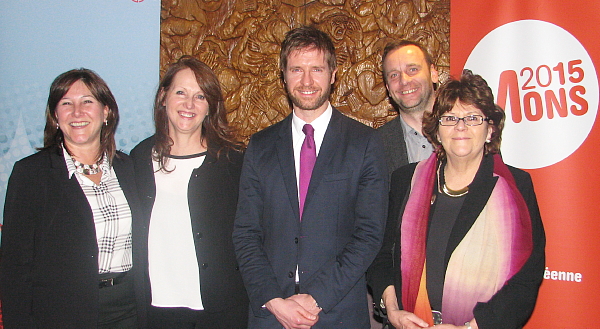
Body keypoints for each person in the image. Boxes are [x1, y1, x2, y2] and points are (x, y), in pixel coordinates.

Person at [233, 25, 388, 329]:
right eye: (296, 69)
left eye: (316, 69)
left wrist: (315, 297)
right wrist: (274, 301)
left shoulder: (364, 144)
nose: (306, 81)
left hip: (337, 312)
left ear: (332, 74)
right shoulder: (260, 146)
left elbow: (369, 235)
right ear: (284, 75)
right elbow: (245, 233)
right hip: (271, 314)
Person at [368, 70, 545, 329]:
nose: (460, 127)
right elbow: (382, 256)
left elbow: (526, 278)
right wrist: (393, 310)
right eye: (449, 118)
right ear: (437, 132)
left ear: (490, 130)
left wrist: (471, 328)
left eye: (472, 118)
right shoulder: (406, 180)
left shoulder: (517, 187)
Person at [0, 69, 147, 328]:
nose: (77, 112)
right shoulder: (31, 174)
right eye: (66, 103)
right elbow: (15, 268)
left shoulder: (129, 168)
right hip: (62, 314)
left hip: (129, 310)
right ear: (56, 117)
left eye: (87, 101)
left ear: (106, 112)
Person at [130, 56, 248, 329]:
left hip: (221, 312)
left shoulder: (233, 163)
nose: (189, 104)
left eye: (200, 96)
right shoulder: (137, 160)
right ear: (163, 97)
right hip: (156, 312)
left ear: (210, 107)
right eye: (180, 92)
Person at [378, 40, 439, 176]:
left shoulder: (465, 130)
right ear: (388, 87)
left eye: (412, 70)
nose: (404, 80)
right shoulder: (376, 145)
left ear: (433, 74)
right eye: (394, 75)